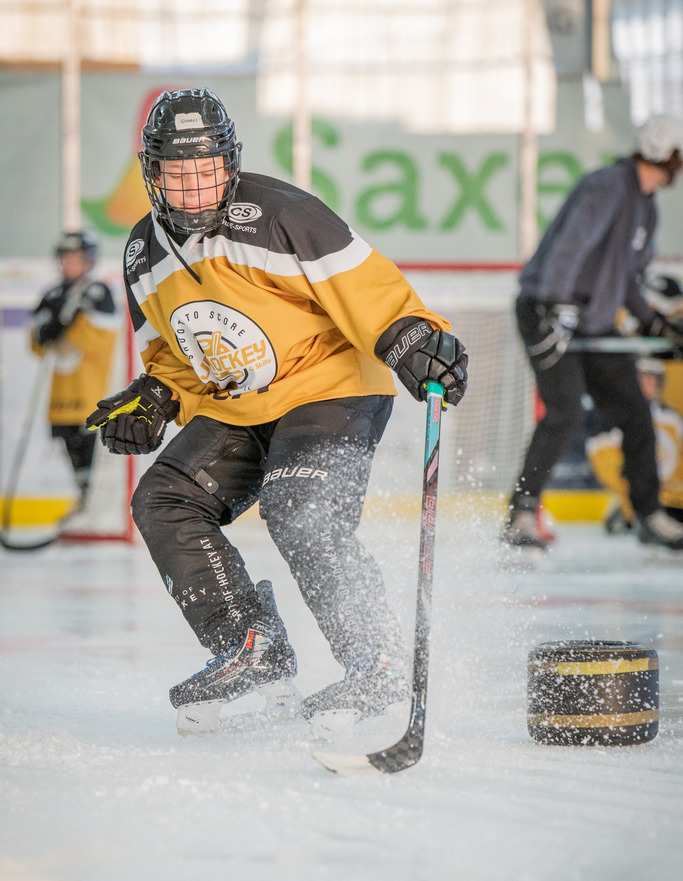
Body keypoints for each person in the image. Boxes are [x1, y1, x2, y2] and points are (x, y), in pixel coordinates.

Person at [85, 88, 468, 736]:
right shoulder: (140, 256)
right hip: (240, 405)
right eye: (179, 174)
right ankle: (250, 647)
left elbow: (366, 287)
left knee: (301, 508)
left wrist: (409, 335)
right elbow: (174, 350)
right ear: (153, 176)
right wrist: (158, 395)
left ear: (228, 164)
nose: (195, 188)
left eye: (207, 171)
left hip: (332, 386)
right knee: (163, 500)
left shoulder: (280, 214)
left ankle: (374, 660)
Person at [502, 113, 683, 552]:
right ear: (666, 153)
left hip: (592, 325)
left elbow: (626, 280)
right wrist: (554, 307)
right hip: (546, 310)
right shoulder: (608, 186)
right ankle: (521, 514)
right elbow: (569, 249)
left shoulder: (646, 205)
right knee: (564, 412)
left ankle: (648, 513)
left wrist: (653, 322)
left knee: (636, 414)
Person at [30, 231, 119, 504]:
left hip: (92, 392)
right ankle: (84, 500)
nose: (70, 264)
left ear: (90, 261)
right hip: (62, 395)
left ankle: (95, 502)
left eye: (77, 258)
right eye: (66, 258)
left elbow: (102, 336)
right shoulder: (53, 294)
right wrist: (51, 329)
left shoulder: (97, 291)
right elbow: (36, 340)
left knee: (94, 448)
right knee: (71, 447)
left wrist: (67, 328)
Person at [587, 358, 683, 532]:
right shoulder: (617, 416)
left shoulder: (673, 418)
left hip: (671, 497)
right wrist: (627, 480)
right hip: (637, 494)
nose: (647, 385)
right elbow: (600, 455)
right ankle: (632, 512)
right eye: (642, 380)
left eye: (652, 380)